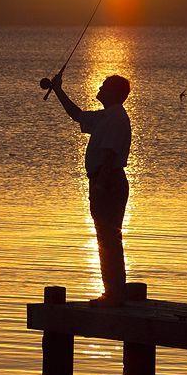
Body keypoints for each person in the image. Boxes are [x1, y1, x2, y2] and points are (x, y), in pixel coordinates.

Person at [49, 71, 132, 305]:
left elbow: (109, 154)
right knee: (106, 237)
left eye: (104, 84)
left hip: (108, 182)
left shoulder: (116, 118)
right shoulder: (107, 116)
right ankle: (113, 292)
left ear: (114, 92)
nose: (100, 87)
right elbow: (77, 115)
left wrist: (100, 185)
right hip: (104, 181)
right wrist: (58, 90)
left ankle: (114, 294)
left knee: (109, 238)